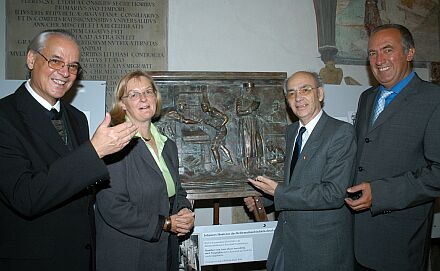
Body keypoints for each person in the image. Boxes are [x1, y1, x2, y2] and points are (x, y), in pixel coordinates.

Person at [0, 29, 137, 271]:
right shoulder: (5, 116)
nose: (65, 73)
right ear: (31, 59)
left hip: (79, 256)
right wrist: (94, 153)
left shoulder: (76, 118)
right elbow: (25, 196)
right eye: (56, 61)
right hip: (33, 260)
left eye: (73, 66)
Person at [345, 24, 440, 271]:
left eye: (388, 50)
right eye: (373, 53)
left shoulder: (433, 99)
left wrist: (380, 194)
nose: (379, 60)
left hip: (399, 242)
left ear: (410, 53)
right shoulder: (367, 97)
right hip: (357, 237)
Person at [245, 71, 356, 271]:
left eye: (305, 90)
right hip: (287, 242)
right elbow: (293, 182)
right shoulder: (290, 133)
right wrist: (264, 200)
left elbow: (333, 194)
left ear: (320, 94)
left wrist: (278, 193)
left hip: (322, 248)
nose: (298, 98)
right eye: (291, 93)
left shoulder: (340, 132)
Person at [95, 71, 195, 271]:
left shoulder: (168, 146)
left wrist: (184, 210)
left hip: (164, 251)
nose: (143, 98)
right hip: (128, 255)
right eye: (133, 94)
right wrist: (166, 224)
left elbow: (176, 192)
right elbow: (113, 207)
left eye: (148, 92)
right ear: (122, 104)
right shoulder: (114, 143)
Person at [199, 95, 233, 173]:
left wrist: (220, 125)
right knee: (221, 146)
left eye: (204, 106)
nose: (203, 108)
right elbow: (213, 120)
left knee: (213, 147)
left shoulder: (212, 111)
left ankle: (219, 167)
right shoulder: (210, 112)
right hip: (219, 130)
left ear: (207, 105)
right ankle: (230, 159)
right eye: (202, 107)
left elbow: (225, 117)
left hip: (221, 130)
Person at [235, 82, 263, 174]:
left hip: (254, 122)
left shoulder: (256, 100)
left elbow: (256, 110)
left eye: (251, 89)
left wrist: (249, 111)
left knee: (257, 141)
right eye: (248, 89)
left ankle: (259, 163)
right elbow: (239, 113)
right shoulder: (240, 100)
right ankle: (246, 167)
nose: (249, 91)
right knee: (246, 144)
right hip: (245, 123)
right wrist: (248, 111)